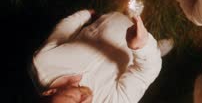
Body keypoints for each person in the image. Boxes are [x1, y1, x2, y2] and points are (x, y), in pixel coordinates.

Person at [31, 9, 174, 102]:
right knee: (150, 57)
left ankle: (126, 16)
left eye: (74, 100)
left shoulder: (43, 62)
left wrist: (85, 15)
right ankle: (156, 49)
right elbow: (144, 74)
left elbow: (63, 32)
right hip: (138, 54)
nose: (86, 99)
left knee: (129, 13)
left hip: (110, 21)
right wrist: (142, 46)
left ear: (50, 92)